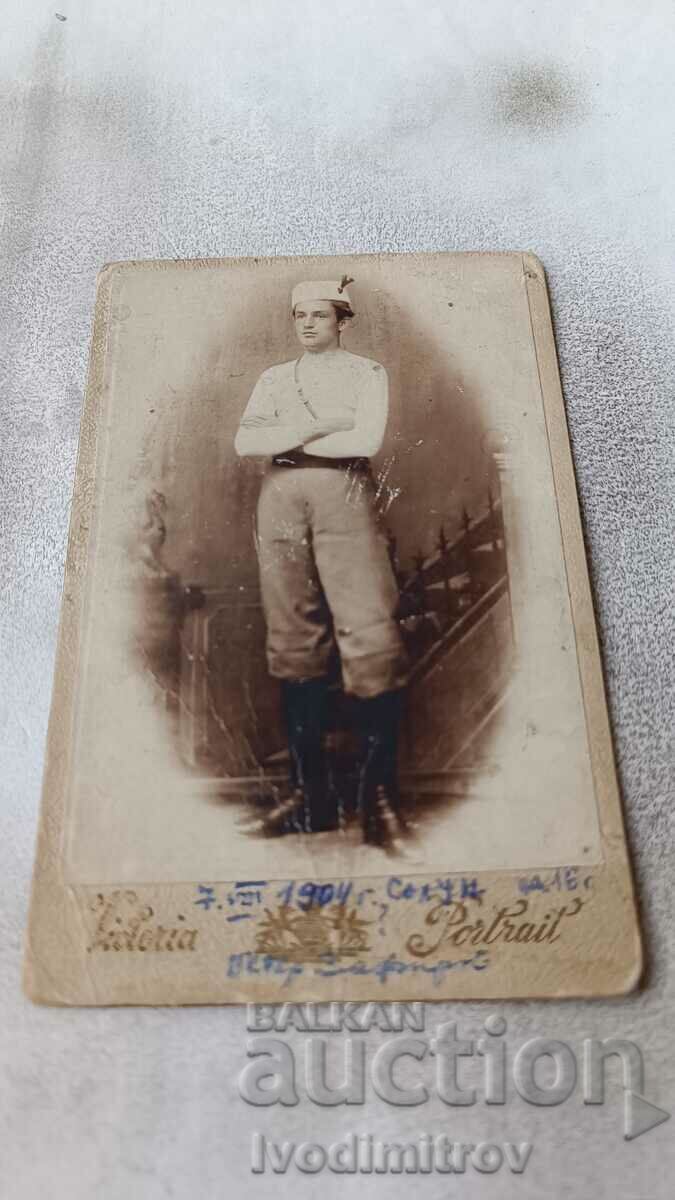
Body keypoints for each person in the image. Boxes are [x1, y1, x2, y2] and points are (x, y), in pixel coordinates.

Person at [234, 277, 409, 849]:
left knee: (371, 634)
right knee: (292, 637)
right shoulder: (274, 378)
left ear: (342, 321)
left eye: (320, 315)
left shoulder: (367, 373)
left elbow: (366, 441)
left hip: (345, 496)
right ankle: (311, 798)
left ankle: (378, 800)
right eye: (299, 316)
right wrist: (319, 425)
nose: (308, 324)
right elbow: (245, 444)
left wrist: (288, 438)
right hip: (280, 499)